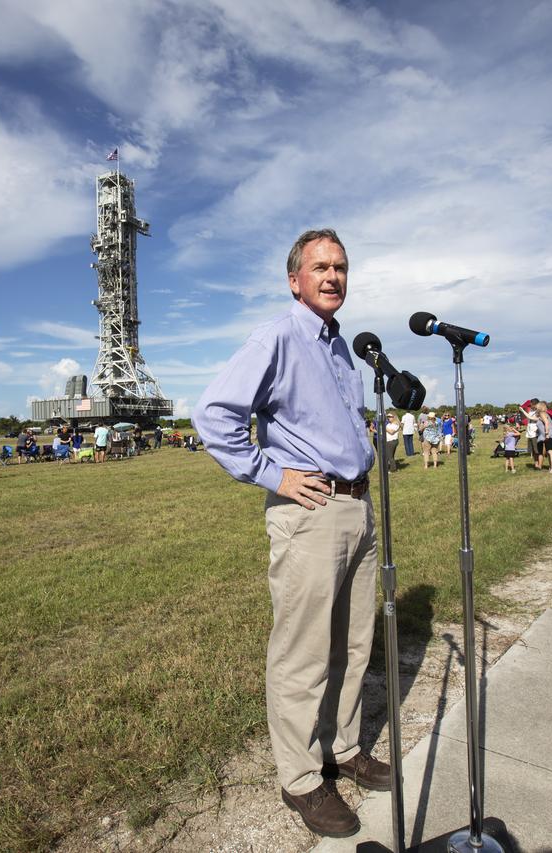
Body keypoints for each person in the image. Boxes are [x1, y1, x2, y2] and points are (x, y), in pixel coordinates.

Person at [192, 229, 389, 838]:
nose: (333, 277)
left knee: (355, 645)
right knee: (302, 652)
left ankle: (344, 746)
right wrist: (271, 473)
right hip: (309, 511)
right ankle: (302, 778)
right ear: (295, 280)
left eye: (341, 267)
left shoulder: (341, 348)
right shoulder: (278, 335)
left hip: (356, 507)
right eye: (320, 267)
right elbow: (214, 415)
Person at [535, 400, 552, 473]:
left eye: (537, 406)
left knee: (550, 451)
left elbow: (547, 423)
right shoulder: (541, 415)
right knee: (549, 452)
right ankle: (551, 467)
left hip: (549, 435)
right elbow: (531, 418)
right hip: (549, 435)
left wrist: (547, 433)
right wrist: (523, 411)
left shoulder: (542, 413)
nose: (536, 407)